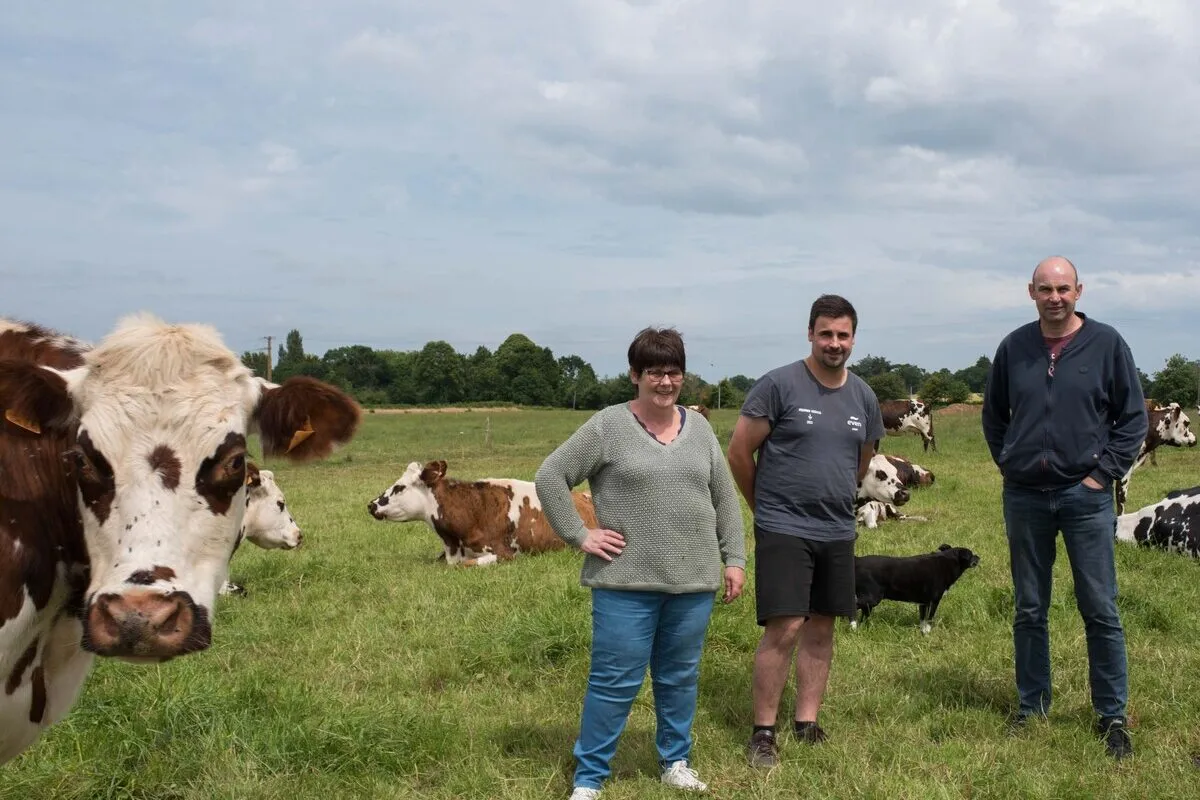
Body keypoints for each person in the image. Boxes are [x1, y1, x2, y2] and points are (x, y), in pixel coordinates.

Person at [535, 326, 746, 800]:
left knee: (679, 676)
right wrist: (579, 533)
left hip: (693, 580)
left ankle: (675, 760)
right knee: (614, 679)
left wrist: (734, 559)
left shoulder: (701, 430)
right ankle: (590, 777)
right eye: (654, 372)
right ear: (635, 375)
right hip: (624, 581)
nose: (665, 382)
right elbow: (551, 475)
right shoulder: (608, 426)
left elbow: (724, 499)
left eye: (673, 372)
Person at [981, 256, 1146, 759]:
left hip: (1085, 495)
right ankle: (1032, 707)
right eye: (1045, 288)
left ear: (1080, 291)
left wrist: (1102, 475)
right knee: (1030, 608)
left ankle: (1112, 715)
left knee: (1100, 606)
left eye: (1064, 288)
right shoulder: (1014, 347)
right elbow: (994, 417)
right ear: (1030, 292)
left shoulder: (1107, 344)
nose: (1055, 297)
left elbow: (1132, 418)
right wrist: (1011, 465)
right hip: (1026, 495)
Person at [726, 294, 884, 768]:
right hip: (783, 527)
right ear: (810, 334)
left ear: (853, 338)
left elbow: (861, 461)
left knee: (822, 625)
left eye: (843, 335)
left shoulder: (864, 397)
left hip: (837, 528)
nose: (834, 343)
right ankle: (763, 731)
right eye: (826, 334)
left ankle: (807, 721)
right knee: (787, 625)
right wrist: (764, 509)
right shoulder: (778, 385)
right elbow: (738, 452)